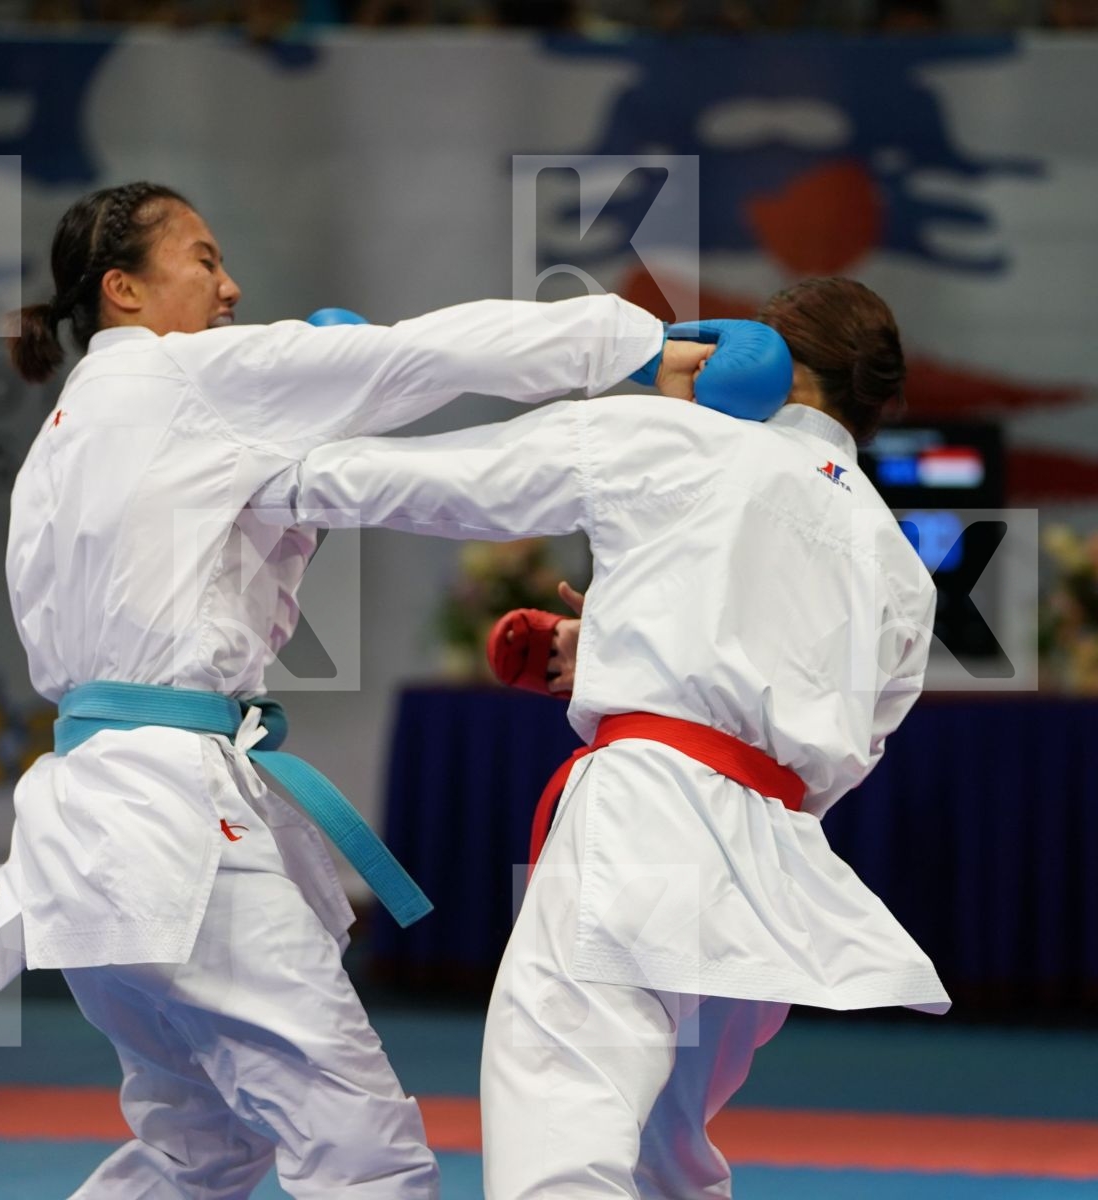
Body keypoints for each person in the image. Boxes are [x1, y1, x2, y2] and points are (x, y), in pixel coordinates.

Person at [0, 179, 721, 1199]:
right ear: (125, 291)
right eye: (203, 259)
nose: (229, 287)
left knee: (203, 1152)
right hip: (173, 831)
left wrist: (309, 444)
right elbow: (429, 353)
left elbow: (231, 547)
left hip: (83, 831)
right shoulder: (192, 380)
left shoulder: (64, 441)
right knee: (365, 1153)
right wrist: (631, 345)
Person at [258, 276, 951, 1199]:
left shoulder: (682, 437)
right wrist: (630, 647)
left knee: (563, 1125)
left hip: (645, 824)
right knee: (668, 1161)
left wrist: (271, 461)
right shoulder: (900, 562)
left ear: (765, 364)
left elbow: (454, 482)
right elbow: (845, 742)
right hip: (777, 867)